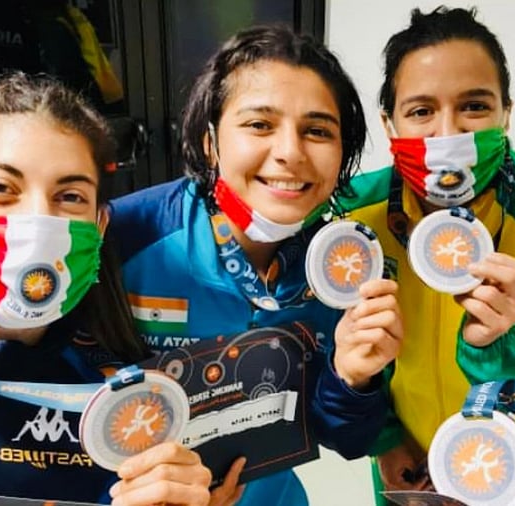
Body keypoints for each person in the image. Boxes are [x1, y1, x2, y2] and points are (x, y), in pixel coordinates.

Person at [0, 73, 213, 506]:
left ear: (99, 224)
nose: (38, 221)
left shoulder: (115, 400)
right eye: (1, 189)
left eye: (70, 196)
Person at [107, 25, 403, 506]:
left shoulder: (342, 263)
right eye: (259, 125)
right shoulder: (127, 235)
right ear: (210, 142)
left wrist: (354, 377)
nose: (289, 152)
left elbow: (346, 439)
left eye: (317, 130)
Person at [337, 6, 515, 499]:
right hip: (407, 474)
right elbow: (338, 349)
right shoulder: (356, 217)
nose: (449, 134)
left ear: (507, 112)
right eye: (421, 111)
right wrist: (385, 439)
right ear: (389, 123)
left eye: (475, 107)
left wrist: (500, 346)